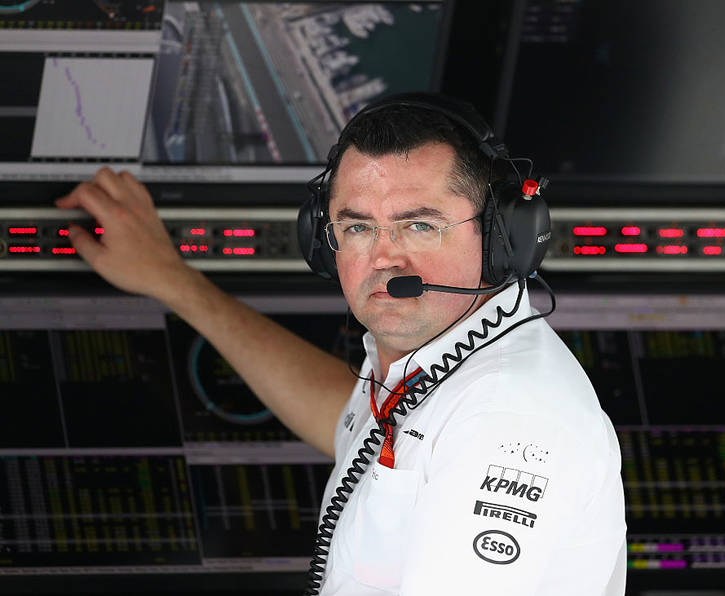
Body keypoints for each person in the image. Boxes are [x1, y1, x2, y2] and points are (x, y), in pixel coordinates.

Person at [55, 93, 626, 595]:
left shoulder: (507, 417)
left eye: (420, 225)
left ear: (502, 238)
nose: (384, 258)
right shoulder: (437, 366)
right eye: (357, 227)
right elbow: (350, 421)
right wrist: (172, 281)